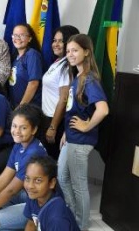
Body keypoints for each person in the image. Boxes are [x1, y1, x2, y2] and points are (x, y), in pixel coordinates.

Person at [58, 34, 109, 230]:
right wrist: (66, 132)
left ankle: (81, 224)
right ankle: (73, 214)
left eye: (75, 50)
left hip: (81, 142)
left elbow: (103, 109)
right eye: (68, 50)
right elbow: (75, 109)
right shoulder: (77, 77)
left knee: (79, 185)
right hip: (71, 138)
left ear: (86, 52)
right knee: (62, 178)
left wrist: (86, 126)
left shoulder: (89, 79)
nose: (70, 54)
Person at [0, 103, 47, 231]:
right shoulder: (19, 144)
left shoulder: (33, 153)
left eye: (23, 128)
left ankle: (32, 223)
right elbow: (4, 178)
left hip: (39, 205)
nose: (17, 131)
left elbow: (10, 190)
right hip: (28, 194)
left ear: (34, 130)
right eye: (14, 126)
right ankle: (12, 220)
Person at [40, 25, 80, 160]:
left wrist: (53, 127)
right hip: (46, 117)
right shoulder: (58, 62)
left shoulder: (67, 66)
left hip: (55, 120)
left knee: (51, 162)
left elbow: (64, 99)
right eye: (54, 40)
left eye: (60, 41)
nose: (55, 44)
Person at [24, 155, 80, 231]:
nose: (30, 186)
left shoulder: (56, 218)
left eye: (38, 180)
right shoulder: (34, 195)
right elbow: (31, 224)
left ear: (52, 183)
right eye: (27, 178)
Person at [8, 24, 43, 108]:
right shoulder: (14, 58)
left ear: (30, 38)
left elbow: (33, 83)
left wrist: (21, 107)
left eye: (22, 35)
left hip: (28, 108)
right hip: (16, 108)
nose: (18, 38)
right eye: (15, 35)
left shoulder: (32, 54)